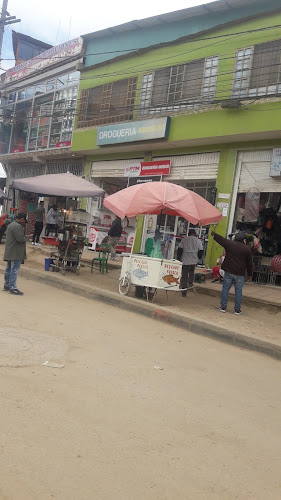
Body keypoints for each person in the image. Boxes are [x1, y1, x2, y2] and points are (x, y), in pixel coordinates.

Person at [212, 230, 253, 315]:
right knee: (238, 291)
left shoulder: (231, 244)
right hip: (240, 273)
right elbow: (249, 264)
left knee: (225, 289)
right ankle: (237, 310)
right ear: (243, 240)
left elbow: (222, 240)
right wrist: (249, 274)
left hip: (229, 271)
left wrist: (214, 234)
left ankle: (223, 307)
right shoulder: (247, 249)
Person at [3, 212, 27, 295]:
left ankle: (7, 285)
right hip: (16, 252)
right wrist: (26, 237)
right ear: (22, 219)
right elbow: (20, 238)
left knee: (8, 268)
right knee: (14, 269)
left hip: (10, 250)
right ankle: (13, 287)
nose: (24, 223)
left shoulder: (10, 225)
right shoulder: (17, 226)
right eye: (24, 221)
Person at [177, 229, 203, 296]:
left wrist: (179, 258)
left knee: (184, 276)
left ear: (189, 234)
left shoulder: (184, 240)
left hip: (185, 260)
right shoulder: (198, 241)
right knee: (191, 273)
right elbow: (201, 251)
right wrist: (198, 258)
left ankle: (184, 291)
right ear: (194, 234)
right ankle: (190, 284)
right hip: (193, 260)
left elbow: (180, 249)